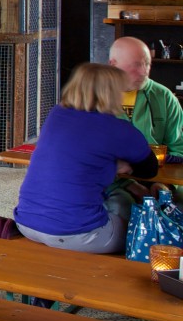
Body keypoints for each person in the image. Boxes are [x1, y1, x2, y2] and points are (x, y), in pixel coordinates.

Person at [15, 61, 158, 253]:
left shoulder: (56, 114)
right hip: (77, 234)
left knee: (105, 201)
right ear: (112, 93)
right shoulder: (117, 129)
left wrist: (108, 164)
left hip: (26, 223)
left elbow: (78, 156)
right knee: (139, 227)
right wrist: (117, 164)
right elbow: (149, 169)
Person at [108, 35, 183, 156]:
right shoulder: (92, 95)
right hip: (108, 173)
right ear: (113, 64)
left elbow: (179, 149)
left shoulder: (164, 96)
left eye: (147, 64)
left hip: (154, 173)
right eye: (136, 65)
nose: (144, 72)